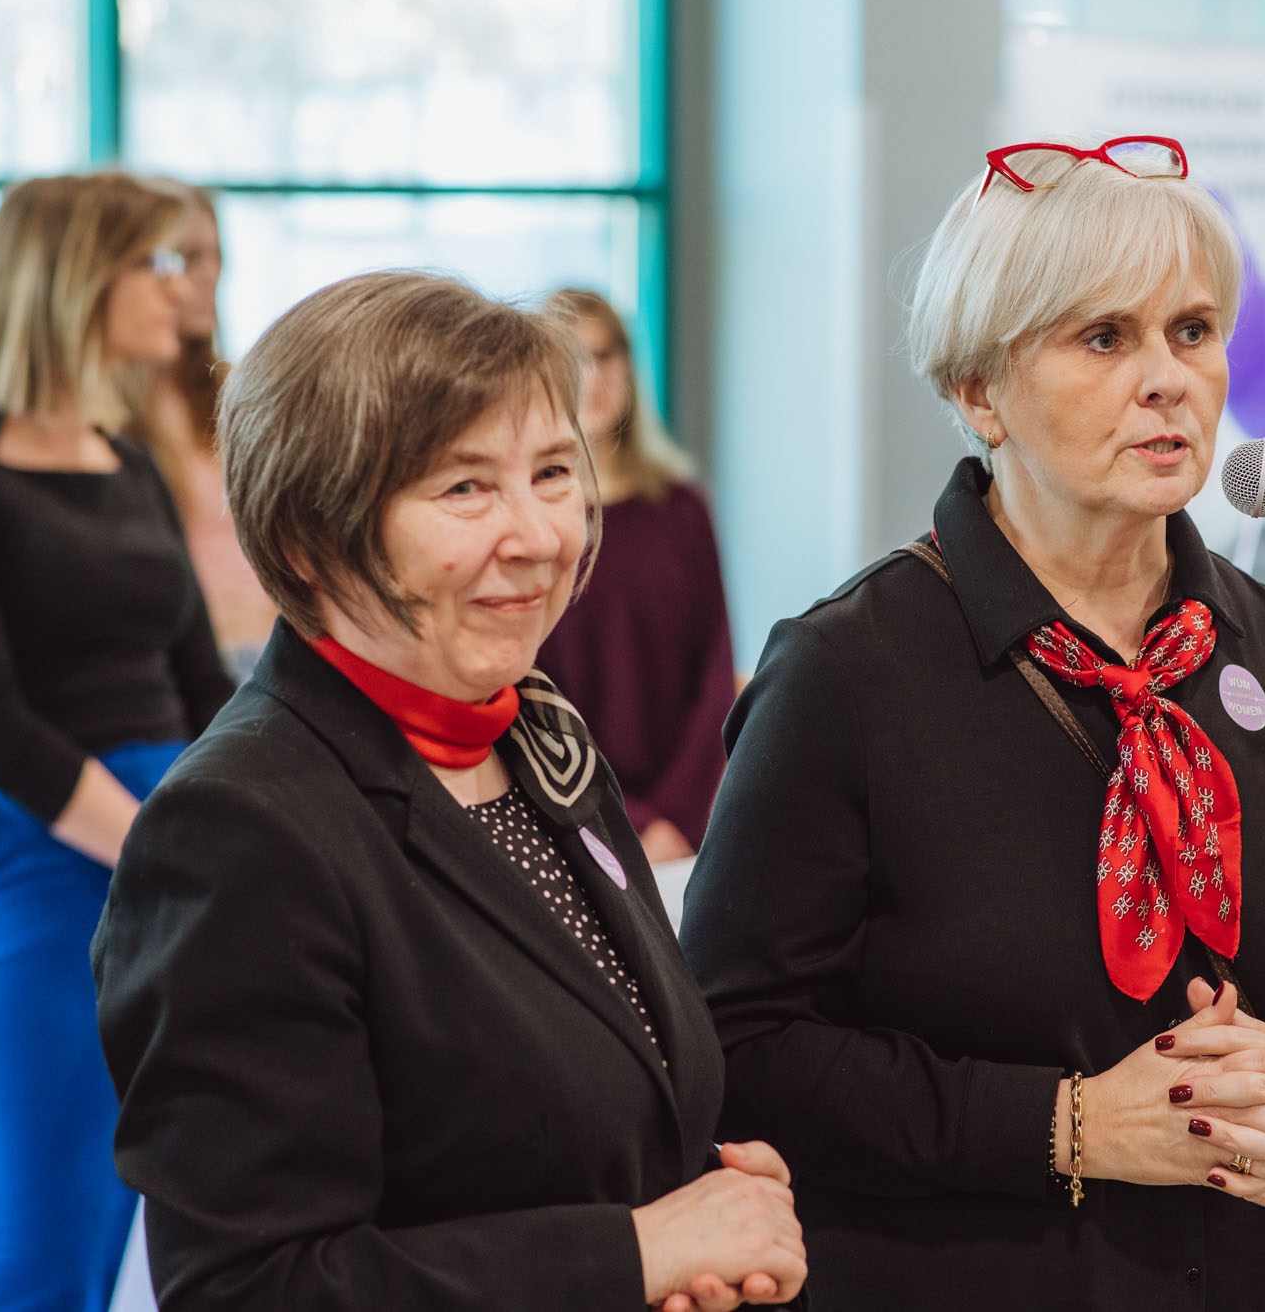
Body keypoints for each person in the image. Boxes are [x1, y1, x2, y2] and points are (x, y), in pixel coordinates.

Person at [679, 135, 1265, 1310]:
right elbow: (737, 1049)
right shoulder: (847, 671)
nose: (1167, 379)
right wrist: (1068, 1125)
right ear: (977, 391)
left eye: (1191, 331)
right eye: (1103, 337)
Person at [92, 271, 806, 1312]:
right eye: (465, 488)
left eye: (552, 472)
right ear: (305, 537)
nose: (540, 535)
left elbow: (593, 1096)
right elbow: (249, 1287)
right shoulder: (238, 829)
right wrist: (632, 1249)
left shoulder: (535, 729)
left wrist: (705, 1196)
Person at [0, 172, 235, 1312]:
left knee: (148, 1252)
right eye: (155, 262)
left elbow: (201, 685)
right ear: (79, 277)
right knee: (39, 1256)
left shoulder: (131, 463)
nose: (179, 288)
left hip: (168, 841)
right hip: (36, 858)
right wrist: (159, 849)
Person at [535, 289, 734, 862]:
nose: (593, 377)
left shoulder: (683, 509)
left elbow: (716, 674)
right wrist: (631, 820)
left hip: (684, 829)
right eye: (573, 359)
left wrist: (673, 819)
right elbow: (530, 694)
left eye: (605, 354)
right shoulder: (531, 525)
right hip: (568, 816)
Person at [124, 180, 277, 678]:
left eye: (216, 256)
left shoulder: (237, 389)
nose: (208, 275)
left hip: (270, 644)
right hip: (184, 659)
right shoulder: (107, 416)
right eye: (188, 258)